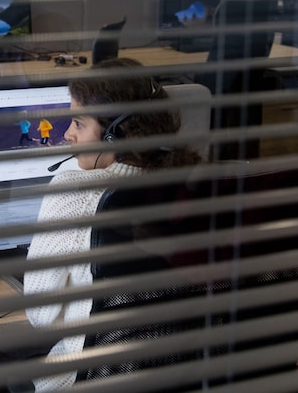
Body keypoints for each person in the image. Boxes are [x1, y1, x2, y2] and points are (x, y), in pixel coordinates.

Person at [23, 57, 203, 391]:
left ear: (113, 136)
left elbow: (41, 316)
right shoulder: (195, 183)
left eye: (78, 123)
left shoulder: (75, 192)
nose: (67, 134)